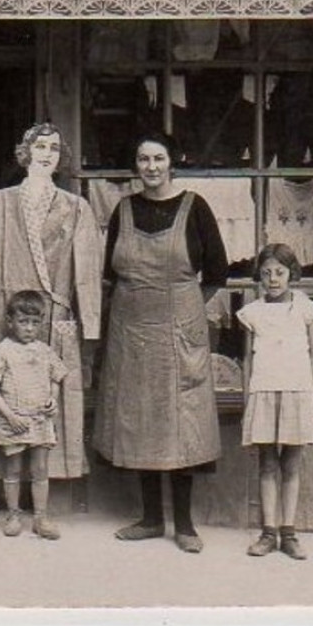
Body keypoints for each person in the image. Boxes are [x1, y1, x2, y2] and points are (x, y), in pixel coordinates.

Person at [91, 132, 228, 553]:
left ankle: (184, 525)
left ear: (173, 162)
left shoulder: (195, 207)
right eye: (143, 158)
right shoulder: (124, 209)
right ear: (136, 165)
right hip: (131, 332)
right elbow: (110, 274)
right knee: (140, 420)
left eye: (158, 158)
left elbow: (218, 272)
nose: (151, 166)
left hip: (178, 331)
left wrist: (183, 311)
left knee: (181, 423)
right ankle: (151, 519)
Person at [0, 123, 102, 511]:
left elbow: (89, 270)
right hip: (9, 318)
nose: (47, 154)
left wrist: (88, 323)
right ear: (24, 152)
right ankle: (10, 500)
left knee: (49, 402)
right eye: (39, 146)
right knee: (8, 394)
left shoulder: (75, 206)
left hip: (53, 317)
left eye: (54, 149)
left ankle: (45, 502)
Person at [237, 242, 313, 560]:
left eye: (279, 272)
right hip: (264, 391)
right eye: (266, 273)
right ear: (259, 276)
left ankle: (289, 534)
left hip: (298, 392)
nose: (273, 279)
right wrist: (249, 398)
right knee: (267, 465)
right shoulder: (252, 313)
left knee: (291, 465)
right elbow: (247, 359)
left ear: (291, 274)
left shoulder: (306, 308)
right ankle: (268, 533)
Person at [0, 290, 68, 539]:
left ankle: (41, 517)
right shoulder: (2, 350)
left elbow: (57, 377)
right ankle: (13, 514)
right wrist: (9, 415)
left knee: (40, 468)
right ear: (10, 322)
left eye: (35, 323)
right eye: (23, 322)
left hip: (39, 420)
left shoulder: (45, 350)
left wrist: (53, 399)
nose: (29, 328)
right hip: (14, 421)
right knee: (13, 469)